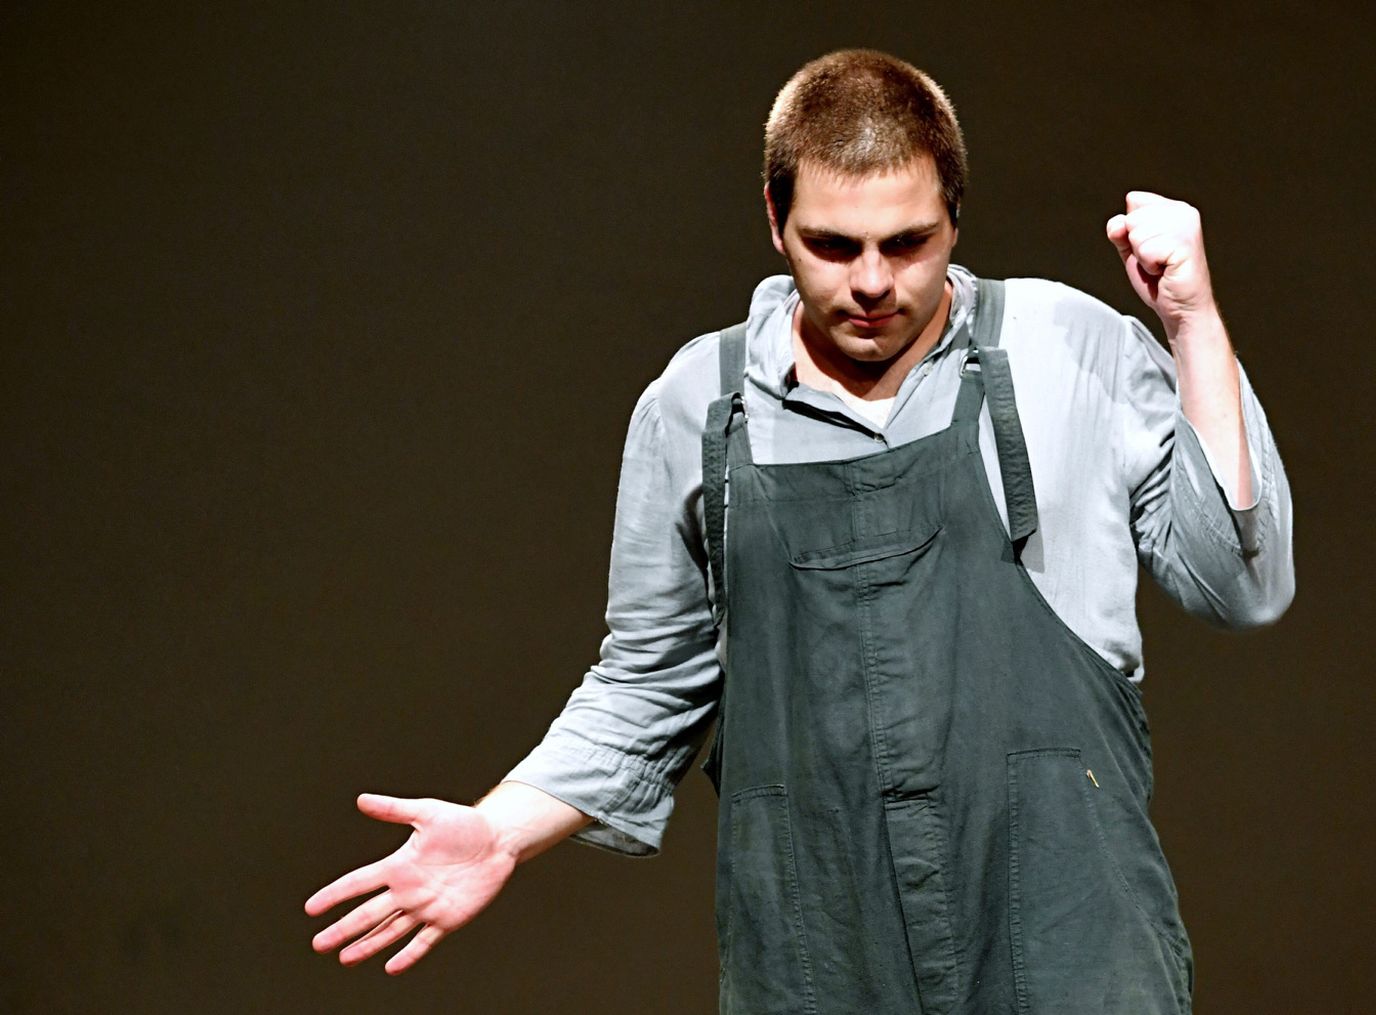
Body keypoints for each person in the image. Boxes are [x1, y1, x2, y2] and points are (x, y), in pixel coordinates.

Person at [305, 49, 1293, 1013]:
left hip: (1069, 946)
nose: (873, 282)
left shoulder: (1064, 350)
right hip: (819, 956)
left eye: (907, 243)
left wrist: (1192, 323)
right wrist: (500, 830)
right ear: (775, 221)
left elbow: (1240, 582)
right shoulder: (699, 403)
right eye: (834, 245)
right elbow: (648, 682)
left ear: (956, 217)